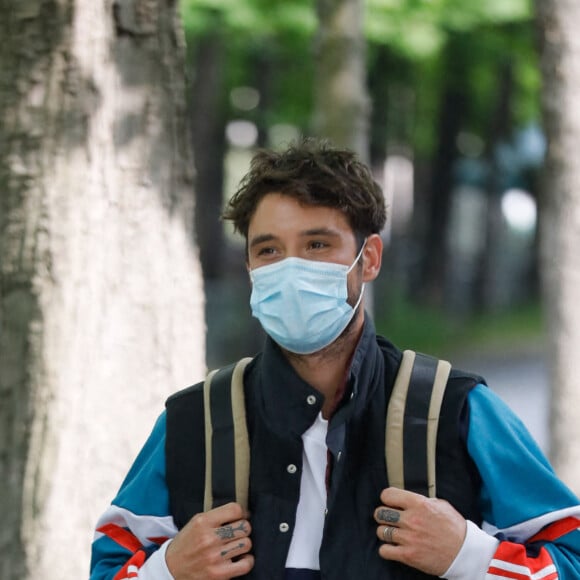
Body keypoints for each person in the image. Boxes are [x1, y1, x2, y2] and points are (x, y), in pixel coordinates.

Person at [90, 139, 580, 580]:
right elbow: (108, 567)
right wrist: (169, 571)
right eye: (269, 250)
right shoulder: (195, 419)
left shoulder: (454, 410)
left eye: (316, 245)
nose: (290, 268)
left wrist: (467, 556)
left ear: (368, 259)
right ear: (250, 268)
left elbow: (570, 560)